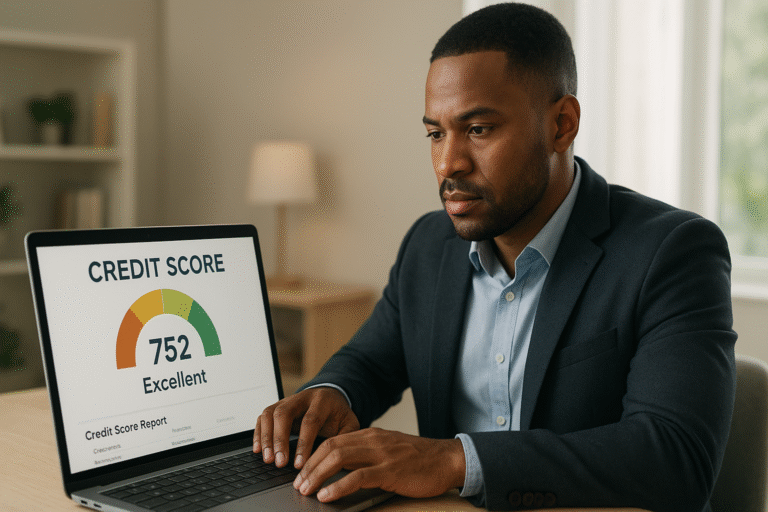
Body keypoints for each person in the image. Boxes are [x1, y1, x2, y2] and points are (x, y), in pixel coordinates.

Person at [253, 3, 737, 511]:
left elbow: (677, 459)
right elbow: (371, 361)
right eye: (436, 133)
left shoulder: (673, 251)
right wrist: (333, 393)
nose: (449, 163)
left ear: (562, 124)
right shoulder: (429, 245)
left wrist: (453, 461)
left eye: (478, 130)